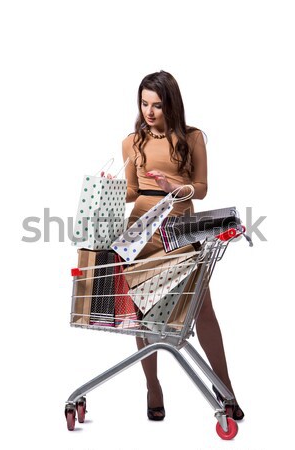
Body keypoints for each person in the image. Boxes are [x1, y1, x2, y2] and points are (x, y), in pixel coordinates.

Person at [122, 70, 244, 421]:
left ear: (171, 104)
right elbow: (133, 191)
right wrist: (112, 190)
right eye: (144, 104)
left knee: (201, 307)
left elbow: (201, 188)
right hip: (142, 233)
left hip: (180, 230)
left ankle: (226, 388)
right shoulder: (131, 142)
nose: (149, 111)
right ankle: (153, 386)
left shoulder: (191, 138)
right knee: (143, 314)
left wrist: (175, 185)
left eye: (157, 105)